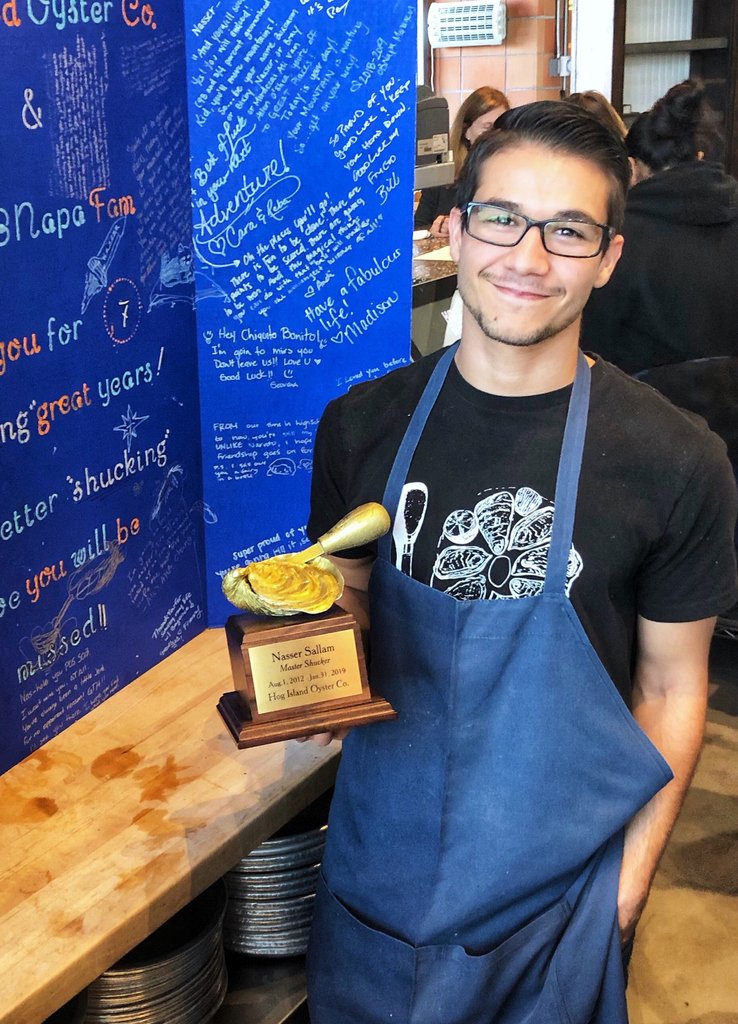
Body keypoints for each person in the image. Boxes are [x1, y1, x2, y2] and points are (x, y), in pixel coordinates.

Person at [305, 102, 738, 1024]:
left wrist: (624, 889)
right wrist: (303, 661)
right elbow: (346, 600)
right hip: (373, 887)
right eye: (502, 218)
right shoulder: (362, 426)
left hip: (560, 910)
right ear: (452, 230)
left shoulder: (677, 460)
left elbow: (671, 689)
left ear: (610, 257)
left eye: (568, 231)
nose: (528, 259)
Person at [414, 85, 510, 238]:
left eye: (502, 129)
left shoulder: (517, 179)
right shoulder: (443, 175)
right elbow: (418, 228)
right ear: (466, 131)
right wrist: (435, 230)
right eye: (487, 128)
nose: (496, 136)